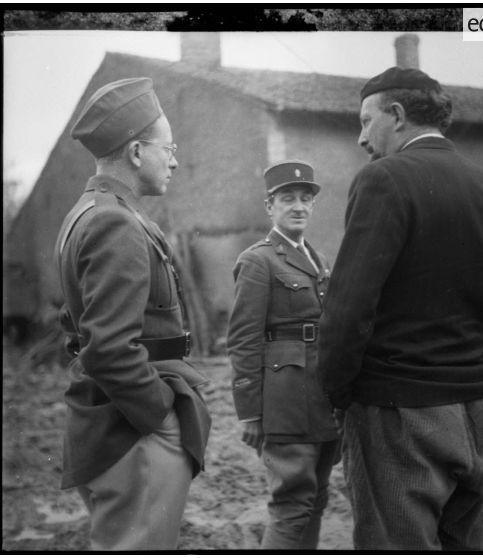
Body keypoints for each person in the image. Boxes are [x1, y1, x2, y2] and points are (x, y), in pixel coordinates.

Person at [316, 67, 483, 551]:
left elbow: (348, 309)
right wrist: (467, 363)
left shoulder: (383, 179)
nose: (361, 137)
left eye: (367, 121)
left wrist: (338, 390)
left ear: (398, 115)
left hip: (397, 410)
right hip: (477, 408)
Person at [54, 77, 211, 550]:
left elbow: (75, 326)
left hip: (118, 425)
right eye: (170, 148)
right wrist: (160, 416)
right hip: (135, 435)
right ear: (138, 151)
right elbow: (108, 348)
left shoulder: (89, 212)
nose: (176, 161)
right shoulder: (113, 221)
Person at [227, 161, 340, 549]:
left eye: (305, 199)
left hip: (321, 398)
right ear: (269, 206)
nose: (298, 207)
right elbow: (243, 339)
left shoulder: (319, 259)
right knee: (292, 503)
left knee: (317, 498)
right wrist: (250, 411)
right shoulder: (258, 260)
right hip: (286, 401)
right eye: (287, 199)